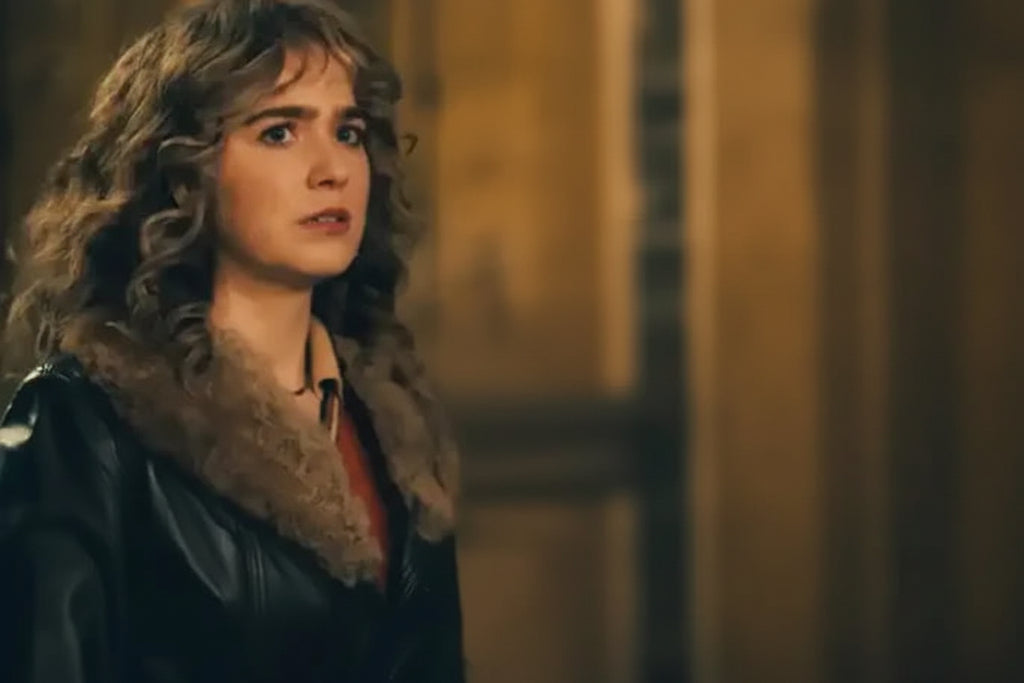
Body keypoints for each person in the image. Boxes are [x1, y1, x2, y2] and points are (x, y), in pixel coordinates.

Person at [0, 1, 465, 681]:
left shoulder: (396, 427)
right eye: (280, 132)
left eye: (348, 132)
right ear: (185, 171)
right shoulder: (82, 427)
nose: (332, 168)